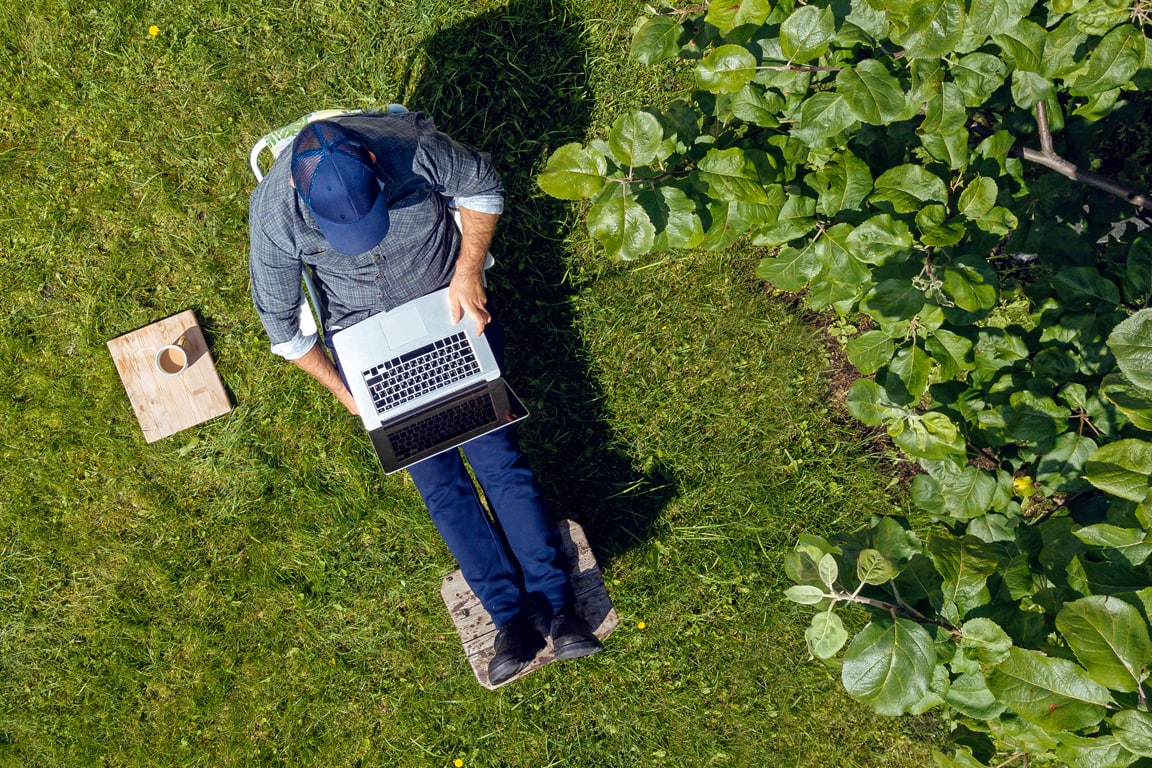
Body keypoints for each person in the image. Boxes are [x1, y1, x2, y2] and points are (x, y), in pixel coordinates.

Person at [248, 112, 601, 685]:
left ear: (370, 163)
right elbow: (282, 329)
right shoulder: (272, 213)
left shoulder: (412, 148)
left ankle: (561, 609)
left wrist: (469, 273)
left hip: (447, 315)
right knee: (440, 486)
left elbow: (483, 186)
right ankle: (511, 619)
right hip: (370, 349)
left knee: (500, 463)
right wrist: (349, 395)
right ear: (296, 189)